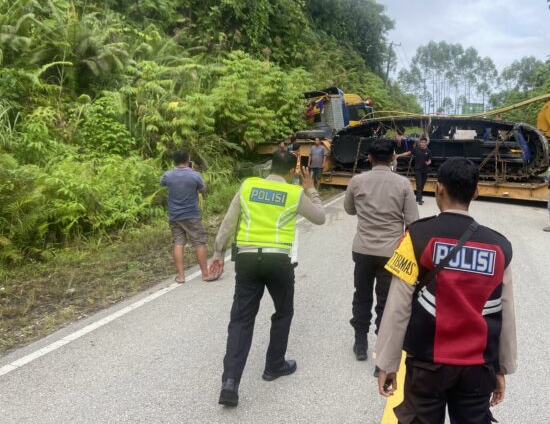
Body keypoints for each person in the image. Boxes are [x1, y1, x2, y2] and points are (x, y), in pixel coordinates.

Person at [375, 158, 517, 424]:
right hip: (478, 368)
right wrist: (501, 367)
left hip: (427, 367)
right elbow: (506, 311)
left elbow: (397, 306)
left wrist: (387, 363)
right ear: (475, 192)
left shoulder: (416, 237)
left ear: (438, 188)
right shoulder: (500, 247)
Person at [213, 151, 326, 407]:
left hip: (247, 259)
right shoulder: (294, 193)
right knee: (283, 312)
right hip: (278, 261)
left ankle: (230, 381)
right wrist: (310, 190)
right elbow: (320, 218)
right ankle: (274, 366)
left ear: (269, 167)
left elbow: (229, 222)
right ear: (291, 172)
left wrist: (218, 251)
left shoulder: (249, 186)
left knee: (241, 320)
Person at [344, 139, 420, 374]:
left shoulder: (357, 181)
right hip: (391, 252)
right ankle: (383, 357)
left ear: (369, 157)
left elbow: (349, 209)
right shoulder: (403, 184)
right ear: (393, 157)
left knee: (362, 295)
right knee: (387, 303)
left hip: (363, 249)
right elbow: (413, 222)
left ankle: (360, 343)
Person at [160, 150, 217, 283]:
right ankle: (205, 274)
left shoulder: (168, 175)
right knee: (199, 242)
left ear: (174, 161)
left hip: (174, 216)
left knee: (178, 243)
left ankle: (181, 276)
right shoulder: (195, 175)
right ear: (188, 159)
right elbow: (203, 189)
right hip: (192, 215)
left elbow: (162, 183)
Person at [411, 137, 432, 205]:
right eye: (421, 142)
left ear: (426, 143)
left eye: (424, 142)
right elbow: (408, 152)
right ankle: (420, 199)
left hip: (425, 170)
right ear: (419, 143)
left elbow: (430, 160)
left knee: (422, 185)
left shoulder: (428, 151)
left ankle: (417, 197)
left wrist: (428, 163)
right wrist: (399, 155)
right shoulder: (416, 150)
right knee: (419, 185)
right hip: (418, 170)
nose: (422, 143)